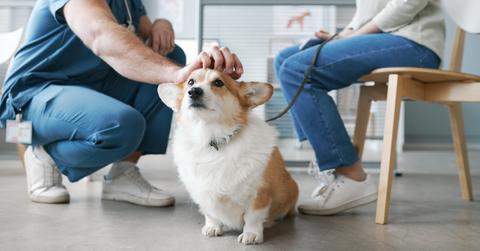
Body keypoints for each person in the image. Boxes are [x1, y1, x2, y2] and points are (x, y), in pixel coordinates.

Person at [0, 0, 243, 205]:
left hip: (91, 86)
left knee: (170, 55)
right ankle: (45, 156)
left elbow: (144, 30)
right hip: (35, 92)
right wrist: (177, 75)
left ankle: (122, 173)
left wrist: (162, 25)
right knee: (123, 124)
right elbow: (100, 35)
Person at [275, 0, 445, 215]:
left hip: (414, 42)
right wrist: (343, 35)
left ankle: (351, 175)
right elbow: (368, 11)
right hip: (383, 37)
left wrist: (355, 36)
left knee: (297, 69)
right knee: (285, 59)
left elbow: (409, 2)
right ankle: (327, 157)